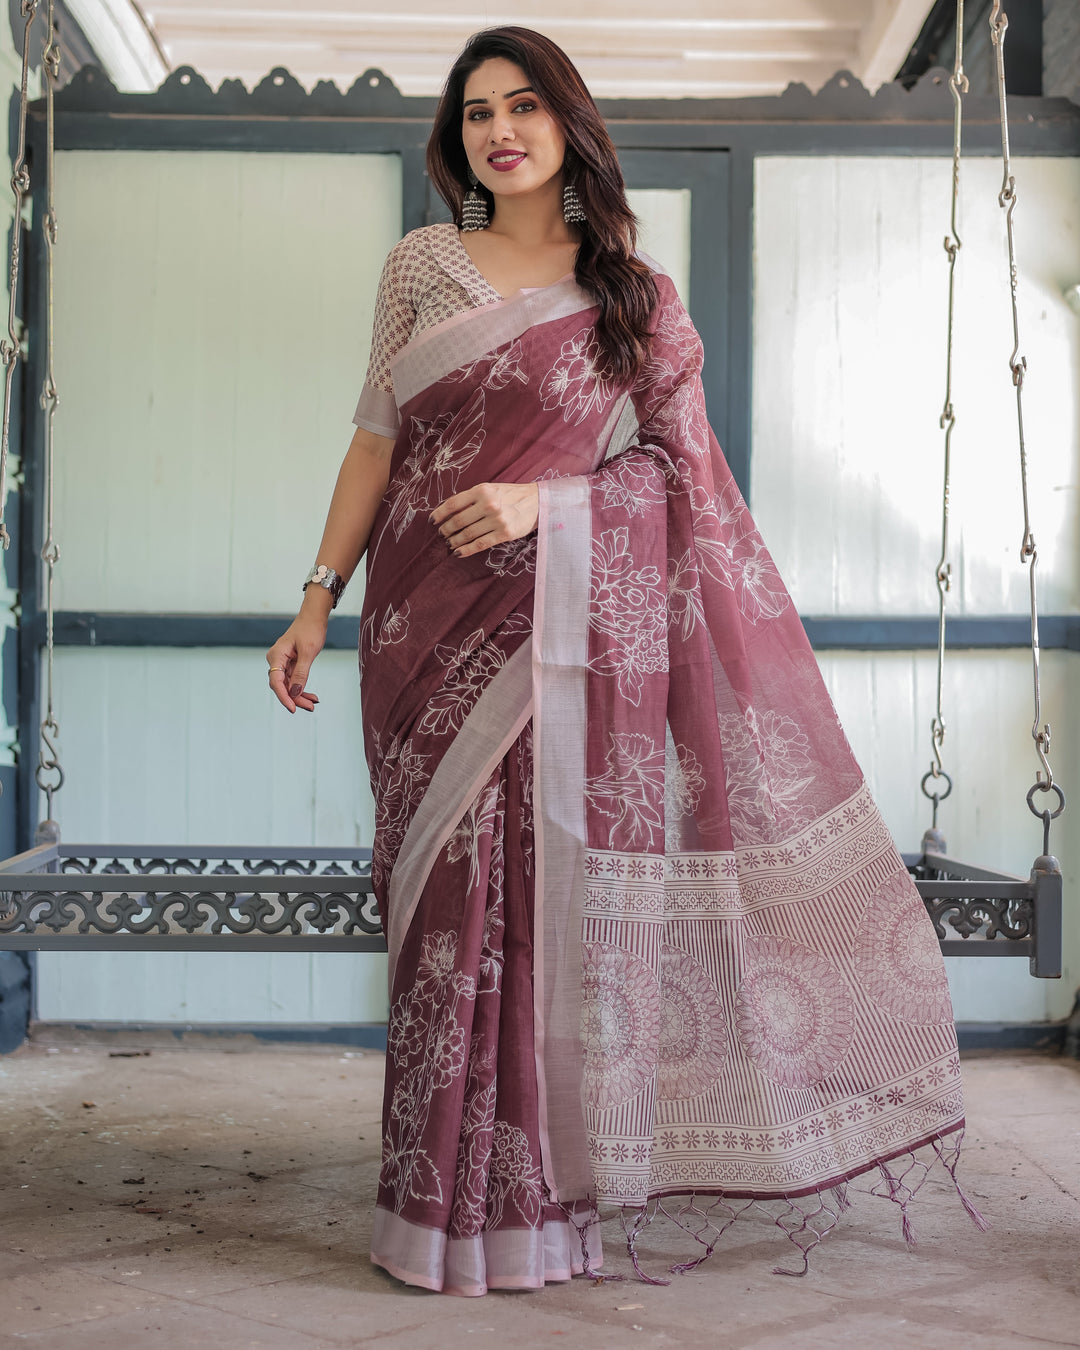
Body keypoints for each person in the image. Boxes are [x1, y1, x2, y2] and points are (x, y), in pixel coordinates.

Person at [266, 26, 983, 1297]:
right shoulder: (422, 268)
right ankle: (430, 1209)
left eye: (526, 104)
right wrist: (316, 597)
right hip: (419, 634)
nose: (501, 128)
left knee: (545, 909)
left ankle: (537, 1212)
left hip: (563, 646)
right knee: (443, 917)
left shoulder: (631, 296)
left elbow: (677, 472)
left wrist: (551, 507)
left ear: (568, 123)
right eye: (479, 109)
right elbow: (372, 445)